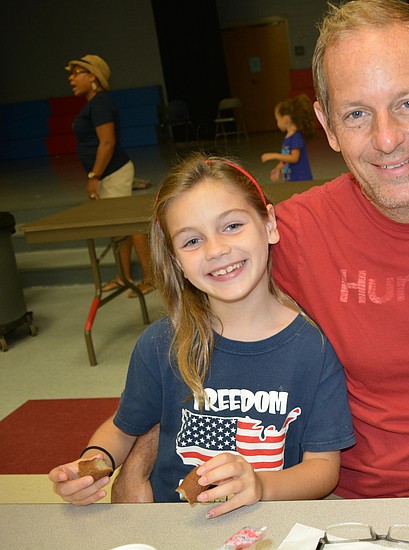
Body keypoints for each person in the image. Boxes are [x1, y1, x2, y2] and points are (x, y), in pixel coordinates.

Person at [113, 0, 409, 501]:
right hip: (342, 507)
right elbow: (195, 347)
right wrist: (137, 461)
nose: (387, 138)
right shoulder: (289, 235)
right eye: (356, 114)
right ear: (327, 125)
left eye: (408, 103)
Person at [48, 155, 355, 517]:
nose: (216, 250)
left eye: (232, 226)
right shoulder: (159, 344)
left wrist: (260, 485)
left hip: (266, 524)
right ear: (176, 260)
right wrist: (88, 468)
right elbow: (122, 429)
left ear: (270, 223)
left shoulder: (313, 348)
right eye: (192, 241)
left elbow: (323, 469)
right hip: (173, 527)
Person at [66, 54, 154, 297]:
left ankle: (150, 277)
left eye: (76, 73)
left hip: (113, 173)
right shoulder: (94, 103)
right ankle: (123, 276)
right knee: (118, 229)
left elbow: (107, 142)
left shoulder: (101, 103)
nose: (71, 78)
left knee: (129, 225)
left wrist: (94, 176)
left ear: (93, 76)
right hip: (107, 174)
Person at [261, 94, 316, 182]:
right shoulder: (288, 137)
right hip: (292, 179)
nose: (277, 123)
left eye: (277, 119)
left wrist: (274, 155)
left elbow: (294, 158)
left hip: (301, 180)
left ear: (285, 119)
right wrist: (278, 168)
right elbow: (286, 158)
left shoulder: (296, 137)